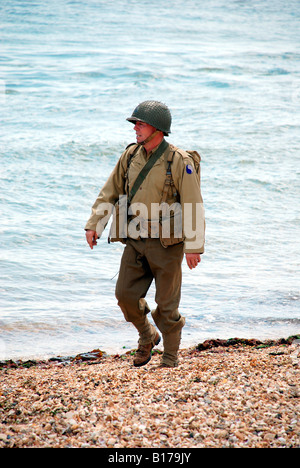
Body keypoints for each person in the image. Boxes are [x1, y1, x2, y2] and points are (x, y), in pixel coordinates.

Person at [85, 101, 205, 368]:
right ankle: (147, 336)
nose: (135, 128)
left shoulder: (179, 161)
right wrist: (95, 223)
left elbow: (193, 204)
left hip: (168, 243)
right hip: (136, 240)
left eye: (140, 123)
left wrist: (194, 246)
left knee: (166, 305)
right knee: (125, 296)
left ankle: (171, 357)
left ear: (158, 129)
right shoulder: (130, 156)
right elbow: (111, 191)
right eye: (135, 123)